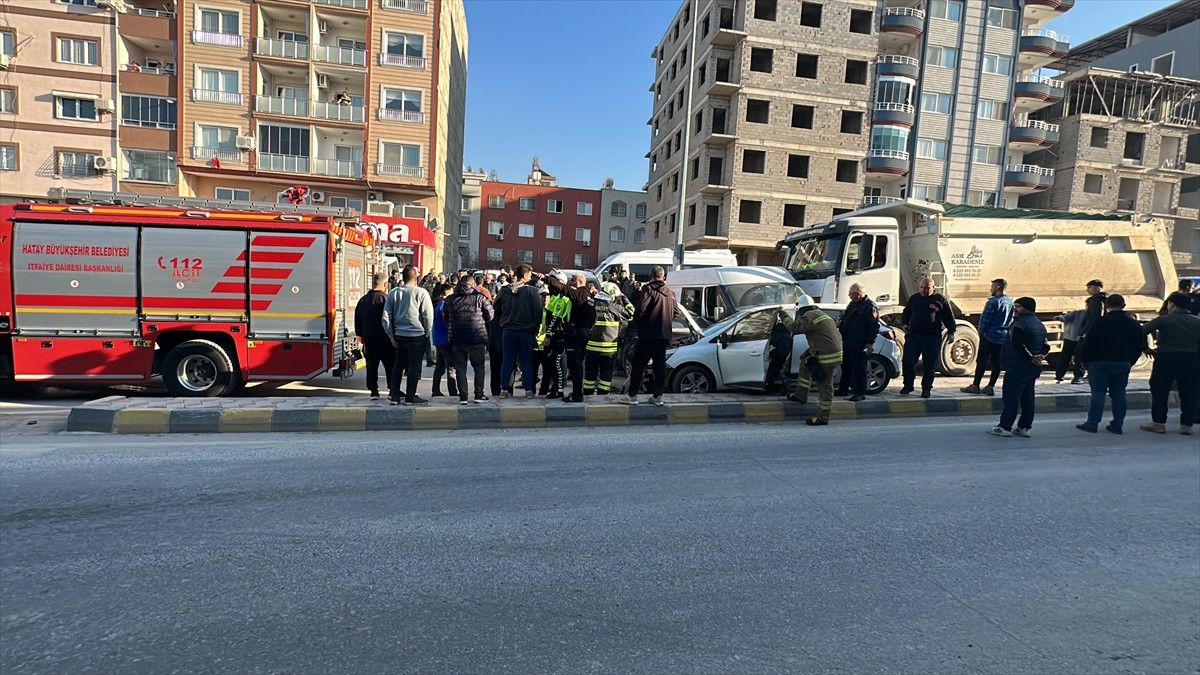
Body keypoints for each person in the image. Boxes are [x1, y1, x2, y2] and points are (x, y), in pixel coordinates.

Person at [1074, 294, 1146, 434]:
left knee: (1098, 393)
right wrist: (1130, 362)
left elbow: (1088, 343)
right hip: (1122, 363)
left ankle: (1092, 423)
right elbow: (1139, 346)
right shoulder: (1134, 324)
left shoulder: (1099, 322)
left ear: (1106, 306)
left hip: (1099, 363)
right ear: (1124, 306)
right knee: (1119, 394)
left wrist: (1083, 360)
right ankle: (1117, 425)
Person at [1140, 291, 1200, 435]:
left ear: (1171, 304)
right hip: (1190, 359)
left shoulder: (1163, 320)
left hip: (1166, 358)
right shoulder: (1197, 321)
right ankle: (1186, 425)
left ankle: (1158, 423)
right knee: (1189, 391)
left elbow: (1141, 331)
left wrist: (1146, 348)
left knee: (1160, 390)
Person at [988, 297, 1049, 438]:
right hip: (1032, 369)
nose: (1015, 309)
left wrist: (1030, 357)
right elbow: (1046, 345)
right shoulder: (1040, 324)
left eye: (1018, 307)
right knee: (1028, 398)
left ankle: (1005, 426)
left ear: (1026, 308)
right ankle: (1025, 427)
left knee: (1011, 397)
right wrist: (1040, 356)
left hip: (1017, 366)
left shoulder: (1019, 324)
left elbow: (1018, 345)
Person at [619, 266, 678, 406]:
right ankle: (658, 396)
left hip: (647, 334)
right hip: (663, 335)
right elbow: (676, 312)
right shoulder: (670, 293)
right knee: (659, 365)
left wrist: (638, 322)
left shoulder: (648, 290)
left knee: (639, 365)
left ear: (650, 277)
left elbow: (640, 311)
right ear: (663, 277)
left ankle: (632, 395)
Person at [542, 271, 597, 403]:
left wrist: (545, 277)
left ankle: (577, 394)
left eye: (572, 281)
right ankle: (577, 392)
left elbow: (562, 288)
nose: (571, 284)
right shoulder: (589, 297)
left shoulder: (579, 294)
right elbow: (593, 318)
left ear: (579, 283)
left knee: (574, 364)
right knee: (577, 364)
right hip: (583, 332)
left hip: (575, 333)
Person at [382, 266, 434, 405]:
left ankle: (394, 395)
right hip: (417, 335)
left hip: (399, 334)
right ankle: (410, 396)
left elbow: (386, 316)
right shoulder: (422, 293)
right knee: (414, 366)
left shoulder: (394, 293)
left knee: (398, 366)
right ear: (415, 277)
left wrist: (391, 335)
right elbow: (427, 315)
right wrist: (427, 332)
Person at [786, 305, 844, 426]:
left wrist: (782, 314)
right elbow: (821, 337)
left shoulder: (810, 315)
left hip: (827, 355)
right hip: (830, 351)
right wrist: (809, 352)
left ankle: (823, 417)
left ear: (802, 309)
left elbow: (794, 327)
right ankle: (801, 395)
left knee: (825, 386)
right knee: (805, 362)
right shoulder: (821, 314)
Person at [900, 277, 956, 398]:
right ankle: (908, 385)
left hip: (932, 337)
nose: (924, 290)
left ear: (933, 287)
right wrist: (904, 324)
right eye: (922, 287)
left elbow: (948, 317)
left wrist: (952, 332)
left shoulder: (939, 300)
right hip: (914, 336)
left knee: (929, 364)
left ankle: (926, 388)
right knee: (908, 361)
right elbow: (906, 312)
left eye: (927, 288)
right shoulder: (914, 298)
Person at [494, 264, 543, 399]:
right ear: (526, 275)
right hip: (526, 332)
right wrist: (536, 324)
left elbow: (495, 307)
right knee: (526, 361)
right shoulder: (532, 291)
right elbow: (538, 311)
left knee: (507, 361)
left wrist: (503, 318)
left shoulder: (504, 290)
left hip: (508, 331)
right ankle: (528, 391)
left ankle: (504, 390)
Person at [443, 275, 493, 405]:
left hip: (457, 338)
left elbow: (446, 317)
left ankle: (463, 397)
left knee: (460, 368)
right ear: (472, 284)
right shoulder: (479, 298)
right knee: (479, 367)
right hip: (476, 337)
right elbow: (490, 315)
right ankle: (478, 394)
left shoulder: (450, 299)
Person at [962, 278, 1013, 397]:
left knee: (981, 361)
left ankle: (975, 385)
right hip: (1003, 336)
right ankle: (990, 386)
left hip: (990, 336)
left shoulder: (993, 302)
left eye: (992, 287)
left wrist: (981, 332)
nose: (990, 289)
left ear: (998, 287)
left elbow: (985, 319)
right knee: (996, 362)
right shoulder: (1010, 302)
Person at [584, 282, 633, 398]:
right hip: (608, 349)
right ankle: (602, 397)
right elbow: (631, 313)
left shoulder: (591, 303)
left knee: (589, 375)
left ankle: (587, 396)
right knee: (605, 375)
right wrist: (624, 297)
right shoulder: (613, 306)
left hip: (591, 347)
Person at [354, 272, 395, 400]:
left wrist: (362, 334)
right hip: (386, 339)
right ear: (384, 284)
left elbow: (358, 322)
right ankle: (392, 390)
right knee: (390, 365)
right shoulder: (387, 299)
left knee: (371, 365)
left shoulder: (363, 300)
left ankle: (374, 391)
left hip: (369, 339)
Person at [836, 283, 878, 402]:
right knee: (846, 366)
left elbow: (874, 326)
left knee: (859, 368)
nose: (849, 296)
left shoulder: (869, 306)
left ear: (858, 294)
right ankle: (843, 389)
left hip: (859, 343)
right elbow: (846, 317)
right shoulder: (853, 304)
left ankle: (860, 392)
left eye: (851, 293)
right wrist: (840, 322)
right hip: (848, 341)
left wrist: (870, 342)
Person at [538, 277, 572, 398]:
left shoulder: (561, 298)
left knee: (557, 361)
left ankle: (559, 389)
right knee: (553, 362)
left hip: (560, 335)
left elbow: (555, 318)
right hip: (555, 334)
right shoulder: (555, 297)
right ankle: (556, 387)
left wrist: (548, 335)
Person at [1074, 279, 1107, 384]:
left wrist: (1087, 331)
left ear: (1098, 288)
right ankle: (1089, 374)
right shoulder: (1096, 299)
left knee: (1080, 353)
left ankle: (1079, 376)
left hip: (1090, 331)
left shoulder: (1098, 300)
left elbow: (1095, 316)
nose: (1087, 290)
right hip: (1093, 331)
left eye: (1090, 287)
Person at [429, 284, 458, 398]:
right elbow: (447, 323)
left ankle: (435, 390)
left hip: (438, 339)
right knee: (451, 367)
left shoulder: (437, 306)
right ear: (445, 294)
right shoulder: (443, 306)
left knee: (440, 366)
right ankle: (453, 391)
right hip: (445, 340)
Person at [1054, 307, 1086, 383]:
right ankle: (1076, 377)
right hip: (1075, 339)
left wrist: (1061, 318)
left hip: (1071, 338)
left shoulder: (1079, 313)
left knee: (1066, 358)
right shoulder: (1079, 313)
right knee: (1076, 359)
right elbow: (1066, 317)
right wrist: (1060, 317)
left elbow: (1066, 318)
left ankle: (1060, 375)